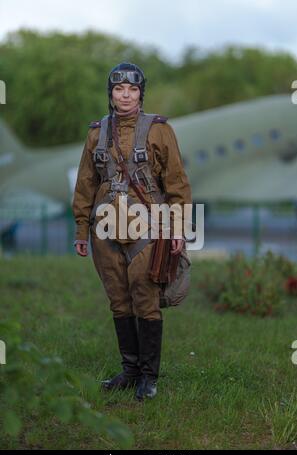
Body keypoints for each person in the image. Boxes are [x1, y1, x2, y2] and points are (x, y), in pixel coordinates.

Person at [72, 62, 192, 401]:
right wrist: (82, 230)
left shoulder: (159, 130)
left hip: (148, 227)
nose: (125, 95)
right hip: (104, 229)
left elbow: (177, 183)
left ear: (141, 93)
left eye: (133, 89)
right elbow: (85, 184)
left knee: (146, 299)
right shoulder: (97, 133)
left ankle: (149, 378)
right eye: (119, 89)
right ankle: (130, 370)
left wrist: (177, 227)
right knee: (119, 301)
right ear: (110, 93)